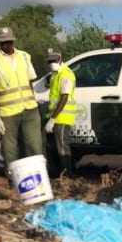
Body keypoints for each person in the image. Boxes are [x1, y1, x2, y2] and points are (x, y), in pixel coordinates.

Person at [0, 27, 42, 172]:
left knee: (34, 145)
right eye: (4, 42)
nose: (7, 45)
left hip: (29, 109)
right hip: (8, 113)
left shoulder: (24, 56)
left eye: (9, 41)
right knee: (10, 150)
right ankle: (14, 180)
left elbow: (30, 82)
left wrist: (34, 102)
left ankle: (38, 177)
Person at [44, 48, 77, 176]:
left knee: (63, 147)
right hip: (55, 116)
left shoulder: (66, 74)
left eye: (54, 60)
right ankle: (60, 172)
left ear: (60, 59)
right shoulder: (55, 74)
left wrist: (53, 119)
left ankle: (68, 175)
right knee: (54, 147)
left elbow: (64, 98)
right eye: (49, 60)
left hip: (62, 118)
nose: (52, 62)